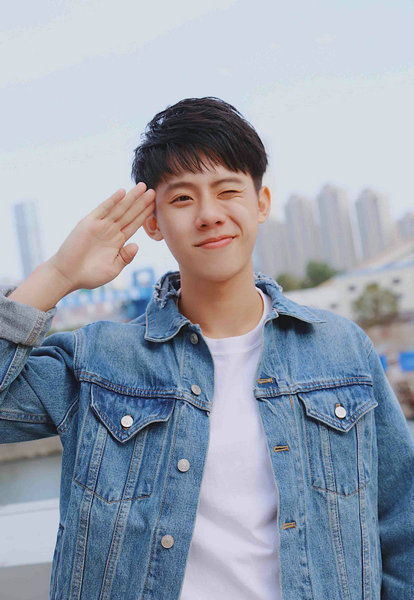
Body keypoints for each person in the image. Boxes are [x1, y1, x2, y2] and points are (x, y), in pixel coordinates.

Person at [0, 96, 413, 600]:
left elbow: (402, 521)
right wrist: (59, 274)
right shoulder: (99, 362)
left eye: (228, 191)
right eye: (182, 199)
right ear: (153, 222)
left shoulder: (340, 350)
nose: (210, 215)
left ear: (261, 202)